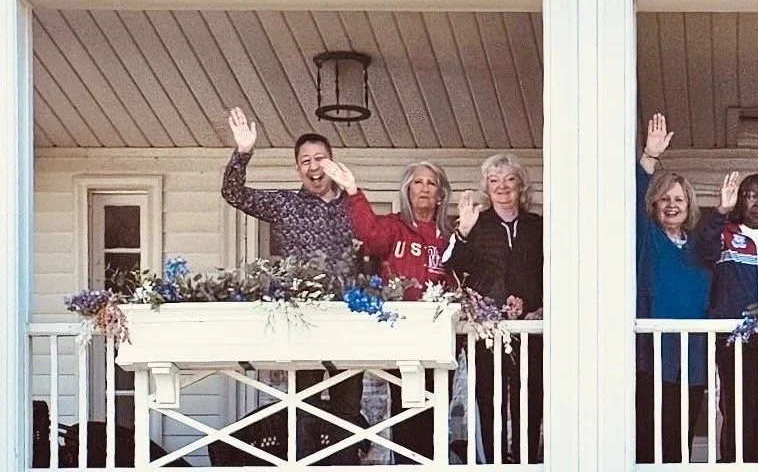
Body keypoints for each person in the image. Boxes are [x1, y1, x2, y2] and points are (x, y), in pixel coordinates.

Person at [217, 107, 363, 414]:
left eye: (320, 158)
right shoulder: (286, 204)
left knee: (348, 409)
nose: (314, 166)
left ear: (332, 162)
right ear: (298, 169)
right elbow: (233, 193)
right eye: (305, 161)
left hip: (346, 319)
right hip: (302, 321)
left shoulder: (353, 204)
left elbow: (375, 241)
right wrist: (243, 152)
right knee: (304, 408)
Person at [321, 158, 456, 464]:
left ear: (440, 195)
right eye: (418, 182)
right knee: (406, 410)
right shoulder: (394, 227)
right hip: (402, 336)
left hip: (438, 339)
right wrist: (353, 191)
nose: (424, 188)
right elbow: (369, 233)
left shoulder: (448, 236)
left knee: (437, 411)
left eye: (431, 183)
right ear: (407, 190)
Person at [443, 153, 545, 464]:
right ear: (486, 187)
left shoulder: (537, 225)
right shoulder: (478, 224)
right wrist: (463, 231)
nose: (503, 186)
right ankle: (494, 463)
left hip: (531, 327)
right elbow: (453, 266)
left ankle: (527, 461)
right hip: (487, 328)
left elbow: (551, 271)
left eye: (510, 179)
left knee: (530, 397)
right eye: (494, 180)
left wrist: (541, 306)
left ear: (521, 185)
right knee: (489, 398)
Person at [697, 170, 758, 463]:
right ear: (740, 200)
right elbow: (701, 250)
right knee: (738, 409)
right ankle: (734, 465)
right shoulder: (726, 232)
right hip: (734, 339)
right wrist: (720, 211)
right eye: (751, 195)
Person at [634, 114, 712, 463]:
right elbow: (632, 201)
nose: (672, 205)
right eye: (664, 199)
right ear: (654, 204)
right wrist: (649, 158)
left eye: (679, 199)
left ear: (689, 205)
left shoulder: (699, 245)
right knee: (649, 438)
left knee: (681, 439)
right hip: (655, 352)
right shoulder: (648, 238)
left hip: (693, 354)